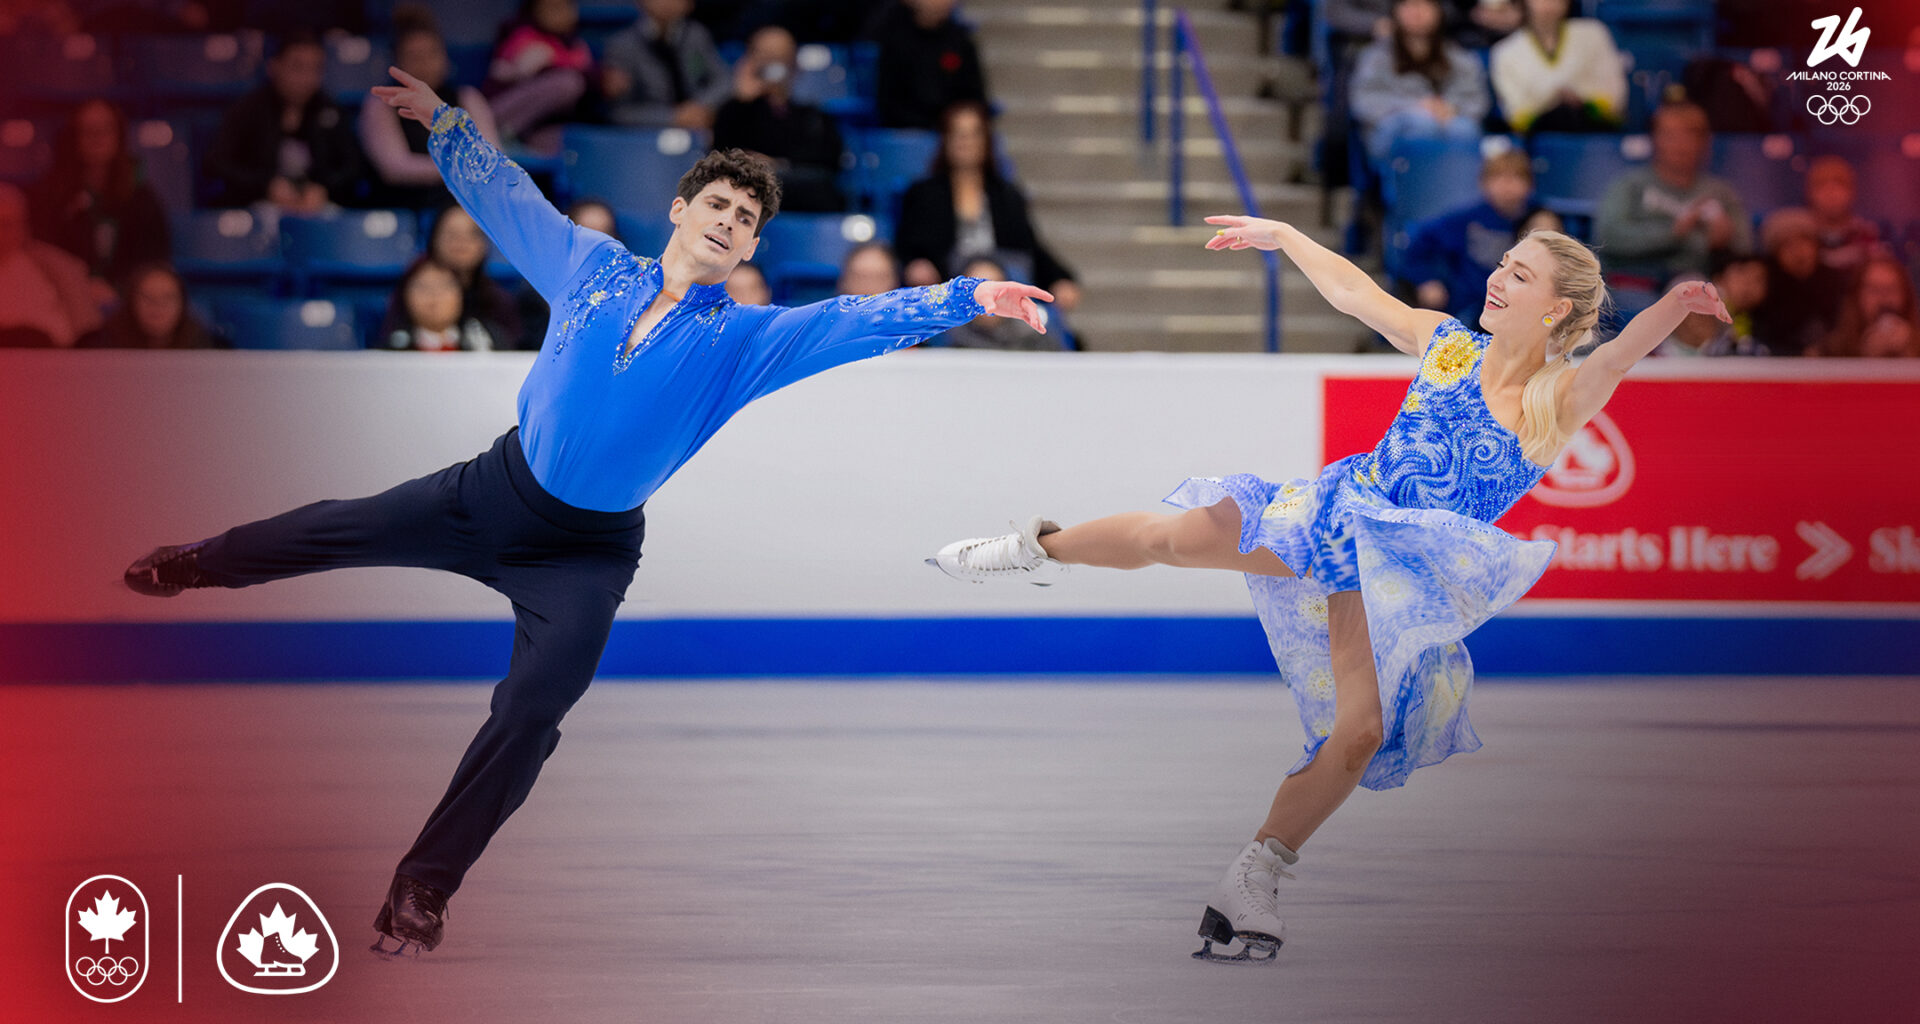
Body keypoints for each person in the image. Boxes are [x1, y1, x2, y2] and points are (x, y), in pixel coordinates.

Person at [120, 66, 1055, 958]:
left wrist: (975, 293)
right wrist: (447, 124)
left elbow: (860, 321)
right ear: (681, 210)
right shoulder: (591, 264)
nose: (730, 222)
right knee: (339, 525)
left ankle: (424, 886)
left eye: (748, 218)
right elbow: (508, 201)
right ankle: (200, 560)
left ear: (755, 247)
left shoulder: (746, 340)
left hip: (586, 555)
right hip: (491, 493)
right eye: (719, 205)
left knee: (532, 711)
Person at [928, 214, 1729, 964]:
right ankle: (1032, 546)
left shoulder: (1555, 401)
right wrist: (1286, 236)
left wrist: (1675, 303)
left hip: (1397, 584)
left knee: (1360, 734)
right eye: (1503, 264)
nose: (1497, 279)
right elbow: (1357, 293)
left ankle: (1252, 878)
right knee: (1172, 538)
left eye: (1519, 277)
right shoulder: (1449, 346)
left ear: (1555, 312)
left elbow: (1618, 358)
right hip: (1337, 519)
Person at [895, 102, 1080, 312]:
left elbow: (1030, 248)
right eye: (958, 133)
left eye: (973, 133)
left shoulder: (1007, 195)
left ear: (986, 141)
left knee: (994, 280)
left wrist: (1060, 278)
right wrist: (916, 263)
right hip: (948, 283)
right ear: (945, 140)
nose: (965, 141)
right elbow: (906, 246)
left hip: (1001, 276)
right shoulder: (923, 194)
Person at [1594, 101, 1751, 288]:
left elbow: (1746, 251)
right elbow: (1607, 237)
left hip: (1701, 287)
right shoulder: (1630, 185)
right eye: (1669, 135)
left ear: (1704, 142)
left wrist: (1725, 242)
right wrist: (1674, 234)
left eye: (1689, 135)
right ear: (1654, 139)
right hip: (1635, 284)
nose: (1680, 144)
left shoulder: (1720, 193)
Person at [360, 4, 503, 209]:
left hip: (463, 207)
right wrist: (460, 169)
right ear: (397, 60)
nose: (425, 64)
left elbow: (493, 157)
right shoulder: (380, 104)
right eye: (415, 57)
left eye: (431, 54)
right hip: (403, 206)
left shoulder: (467, 97)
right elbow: (395, 168)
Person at [203, 31, 364, 211]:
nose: (307, 77)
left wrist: (324, 189)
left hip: (316, 208)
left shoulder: (331, 110)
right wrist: (265, 185)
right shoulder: (247, 109)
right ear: (274, 67)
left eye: (316, 68)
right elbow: (219, 163)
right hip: (256, 207)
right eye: (298, 67)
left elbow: (352, 167)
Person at [30, 99, 171, 297]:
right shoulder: (50, 195)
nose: (97, 137)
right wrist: (82, 287)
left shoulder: (142, 197)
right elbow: (43, 256)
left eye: (105, 129)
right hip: (65, 300)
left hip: (128, 303)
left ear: (118, 136)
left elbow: (153, 261)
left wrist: (117, 289)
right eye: (88, 130)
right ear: (74, 136)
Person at [713, 25, 847, 212]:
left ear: (794, 64)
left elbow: (830, 160)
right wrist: (741, 102)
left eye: (782, 57)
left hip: (801, 199)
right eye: (766, 56)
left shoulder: (813, 116)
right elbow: (719, 154)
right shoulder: (735, 112)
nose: (774, 65)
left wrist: (779, 165)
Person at [1403, 149, 1533, 327]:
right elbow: (1416, 243)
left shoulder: (1538, 219)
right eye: (1499, 177)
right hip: (1469, 308)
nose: (1507, 185)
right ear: (1484, 182)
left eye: (1516, 177)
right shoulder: (1465, 219)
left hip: (1519, 312)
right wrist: (1426, 280)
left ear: (1530, 184)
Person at [1348, 0, 1488, 164]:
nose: (1417, 12)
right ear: (1395, 12)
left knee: (1464, 129)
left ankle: (1456, 186)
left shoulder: (1460, 58)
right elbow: (1363, 102)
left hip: (1448, 124)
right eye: (1409, 5)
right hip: (1392, 130)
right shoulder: (1374, 57)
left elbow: (1477, 101)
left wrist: (1450, 108)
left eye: (1424, 5)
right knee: (1422, 125)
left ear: (1439, 12)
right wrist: (1414, 107)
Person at [1487, 0, 1626, 134]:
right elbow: (1516, 114)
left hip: (1594, 126)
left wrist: (1580, 99)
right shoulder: (1505, 51)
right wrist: (1552, 99)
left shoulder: (1594, 33)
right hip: (1538, 133)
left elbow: (1615, 95)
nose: (1550, 4)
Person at [485, 0, 600, 149]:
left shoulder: (575, 45)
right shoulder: (524, 37)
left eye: (566, 7)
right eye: (553, 8)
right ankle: (501, 135)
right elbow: (516, 72)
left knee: (577, 145)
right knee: (568, 83)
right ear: (535, 12)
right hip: (499, 114)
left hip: (536, 128)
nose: (561, 14)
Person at [0, 183, 103, 347]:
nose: (1, 233)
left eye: (6, 224)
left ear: (23, 225)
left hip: (58, 360)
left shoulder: (56, 267)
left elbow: (87, 329)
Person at [601, 0, 731, 130]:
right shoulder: (622, 46)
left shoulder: (697, 35)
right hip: (649, 132)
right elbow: (620, 112)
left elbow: (724, 80)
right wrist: (673, 117)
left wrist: (700, 106)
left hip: (699, 122)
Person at [869, 0, 990, 131]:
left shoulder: (962, 43)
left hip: (951, 131)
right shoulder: (895, 41)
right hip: (907, 130)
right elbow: (889, 100)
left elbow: (974, 95)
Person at [426, 205, 521, 346]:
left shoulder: (499, 301)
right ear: (434, 239)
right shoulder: (415, 291)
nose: (461, 242)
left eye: (472, 234)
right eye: (452, 234)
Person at [1753, 208, 1841, 357]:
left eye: (1804, 241)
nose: (1798, 251)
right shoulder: (1766, 293)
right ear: (1776, 254)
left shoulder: (1837, 284)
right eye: (1787, 244)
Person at [78, 262, 227, 349]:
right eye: (147, 298)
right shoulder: (97, 347)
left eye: (167, 298)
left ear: (182, 303)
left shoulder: (206, 349)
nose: (157, 306)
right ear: (131, 301)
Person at [380, 256, 504, 352]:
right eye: (423, 287)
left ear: (461, 294)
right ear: (405, 295)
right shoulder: (392, 347)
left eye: (444, 286)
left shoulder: (487, 339)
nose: (434, 295)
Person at [930, 256, 1055, 350]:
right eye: (979, 289)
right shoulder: (948, 335)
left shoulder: (1029, 333)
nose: (988, 297)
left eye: (995, 288)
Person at [1816, 256, 1919, 359]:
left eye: (1892, 289)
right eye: (1874, 290)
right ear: (1857, 296)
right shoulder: (1827, 351)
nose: (1884, 297)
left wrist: (1910, 352)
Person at [1795, 156, 1882, 274]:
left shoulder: (1866, 235)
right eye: (1821, 185)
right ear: (1809, 193)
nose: (1831, 192)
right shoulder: (1798, 237)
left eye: (1839, 184)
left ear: (1852, 192)